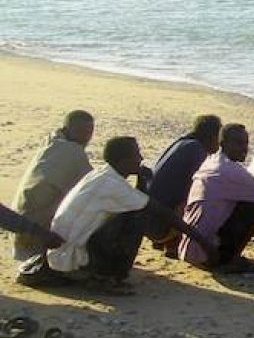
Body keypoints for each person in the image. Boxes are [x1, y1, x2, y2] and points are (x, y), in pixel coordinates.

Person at [26, 137, 216, 293]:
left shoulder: (102, 173)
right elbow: (157, 210)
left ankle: (97, 272)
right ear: (123, 161)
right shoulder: (113, 185)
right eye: (136, 155)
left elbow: (140, 199)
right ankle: (106, 277)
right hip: (70, 257)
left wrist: (141, 179)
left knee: (135, 209)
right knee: (136, 217)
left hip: (63, 250)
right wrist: (200, 239)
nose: (141, 158)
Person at [179, 124, 254, 273]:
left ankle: (227, 255)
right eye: (238, 143)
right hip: (205, 252)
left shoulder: (211, 161)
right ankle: (230, 259)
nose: (244, 148)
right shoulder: (229, 170)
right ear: (223, 143)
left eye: (246, 143)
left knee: (250, 194)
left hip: (189, 247)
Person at [11, 110, 94, 275]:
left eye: (89, 133)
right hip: (38, 235)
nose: (86, 138)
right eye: (81, 132)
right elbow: (93, 187)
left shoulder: (52, 142)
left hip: (20, 227)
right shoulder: (73, 152)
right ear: (67, 129)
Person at [147, 114, 222, 257]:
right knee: (204, 197)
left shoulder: (181, 143)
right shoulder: (197, 151)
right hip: (160, 226)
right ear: (212, 136)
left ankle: (166, 240)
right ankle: (173, 244)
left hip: (148, 220)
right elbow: (197, 191)